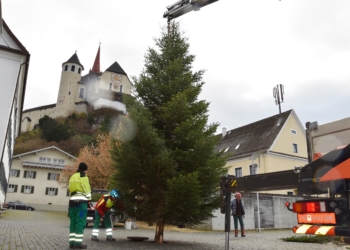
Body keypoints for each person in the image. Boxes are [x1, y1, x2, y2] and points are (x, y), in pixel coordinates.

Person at [68, 162, 92, 249]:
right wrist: (89, 200)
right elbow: (87, 189)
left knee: (73, 222)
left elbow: (69, 188)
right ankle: (78, 243)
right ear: (85, 170)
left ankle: (72, 243)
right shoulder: (83, 176)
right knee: (80, 222)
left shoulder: (73, 176)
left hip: (72, 202)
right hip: (81, 202)